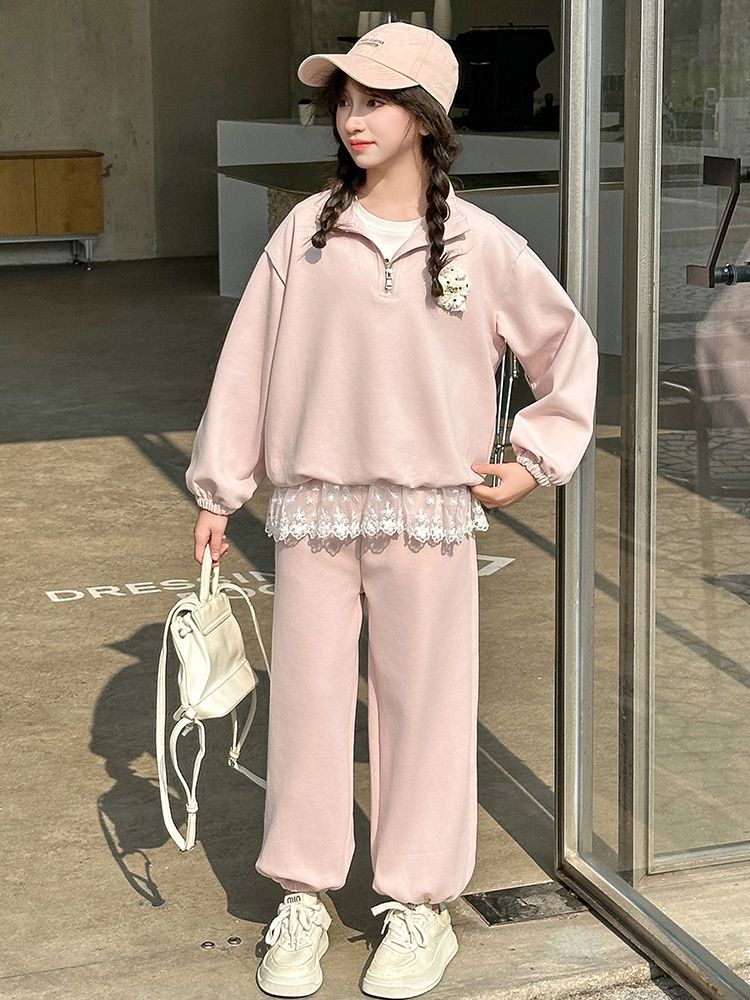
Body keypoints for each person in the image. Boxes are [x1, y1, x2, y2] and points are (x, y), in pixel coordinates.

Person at [185, 20, 599, 1000]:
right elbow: (247, 364)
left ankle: (419, 906)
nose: (353, 118)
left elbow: (565, 347)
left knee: (427, 709)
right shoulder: (305, 232)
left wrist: (534, 459)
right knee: (309, 707)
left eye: (376, 100)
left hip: (428, 517)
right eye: (345, 100)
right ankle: (301, 894)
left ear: (424, 116)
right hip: (316, 512)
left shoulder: (482, 244)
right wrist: (220, 486)